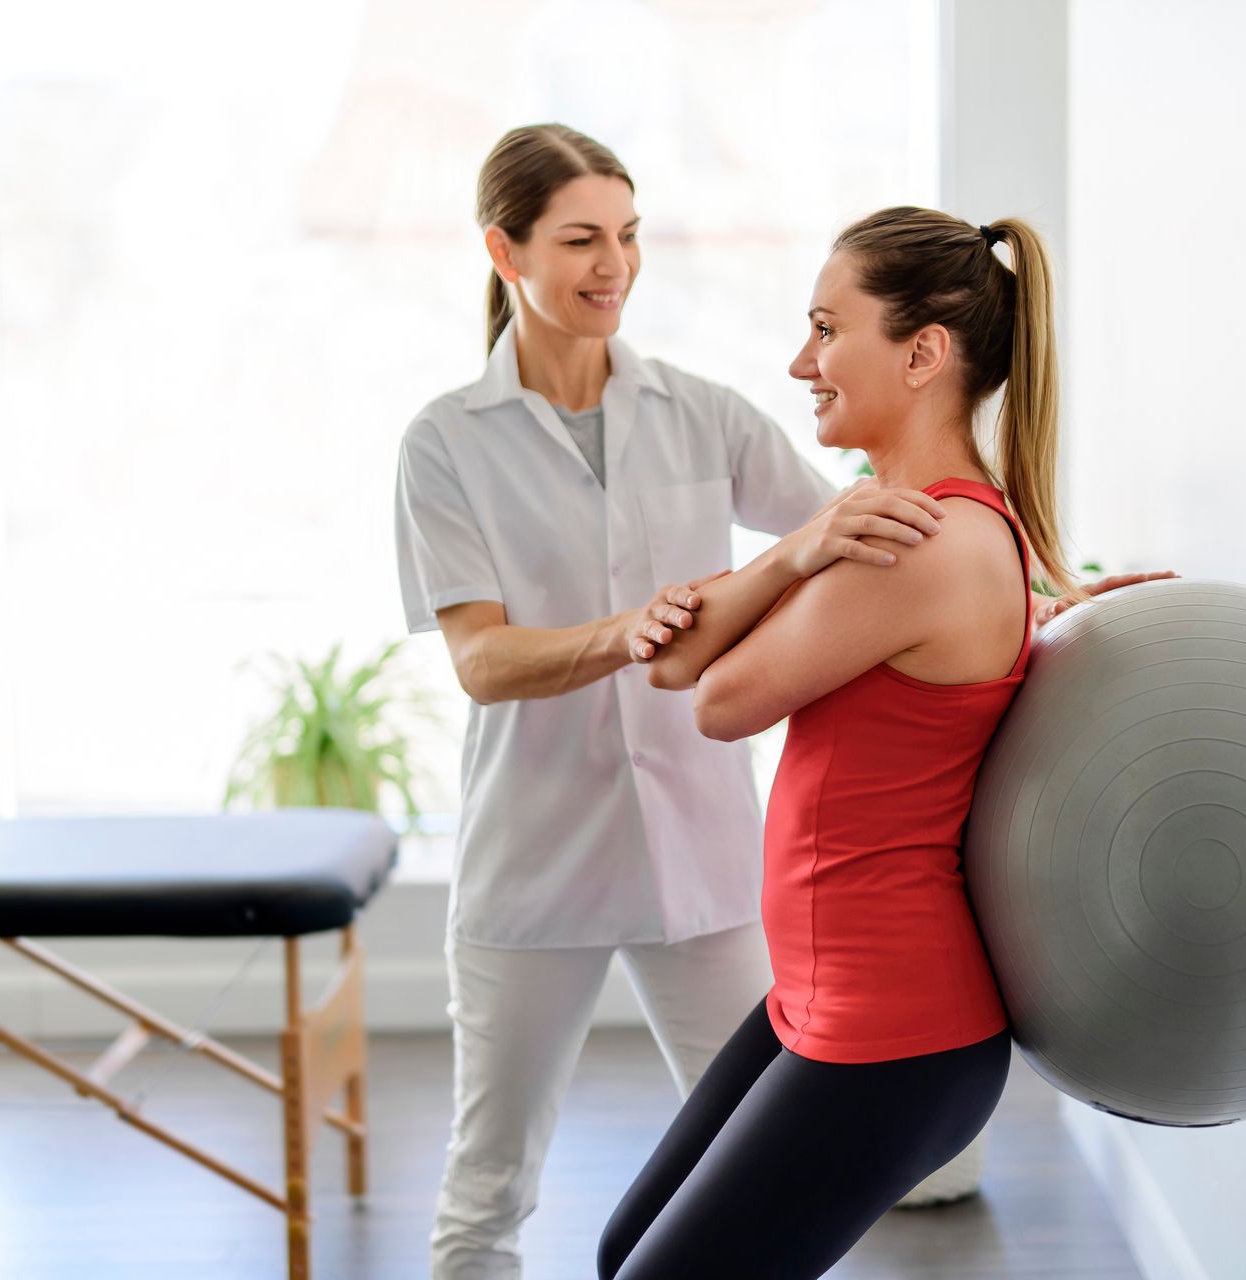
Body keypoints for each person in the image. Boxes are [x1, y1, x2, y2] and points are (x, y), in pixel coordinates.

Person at [393, 124, 953, 1280]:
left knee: (763, 1165)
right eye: (582, 238)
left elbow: (862, 522)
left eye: (630, 235)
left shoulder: (699, 410)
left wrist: (1059, 583)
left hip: (698, 856)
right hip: (532, 859)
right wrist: (624, 633)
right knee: (488, 1184)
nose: (615, 264)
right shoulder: (445, 443)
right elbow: (482, 660)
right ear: (505, 250)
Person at [596, 207, 1176, 1279]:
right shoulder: (898, 519)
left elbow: (722, 700)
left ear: (923, 353)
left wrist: (793, 555)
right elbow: (671, 662)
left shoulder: (913, 541)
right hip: (827, 1000)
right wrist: (804, 543)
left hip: (893, 1031)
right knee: (621, 1252)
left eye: (827, 328)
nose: (800, 361)